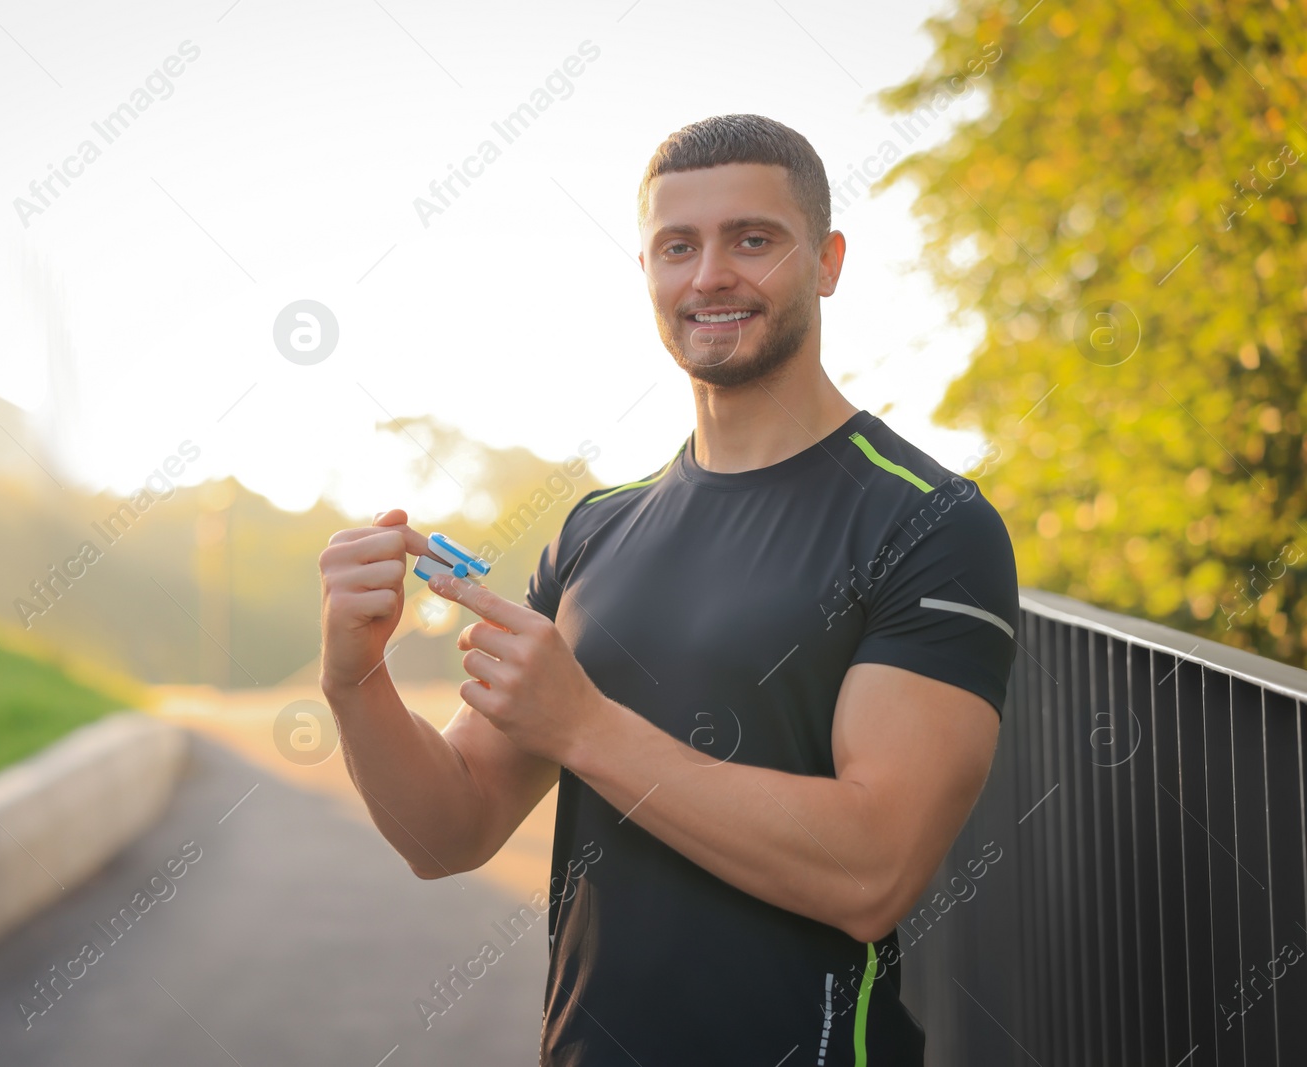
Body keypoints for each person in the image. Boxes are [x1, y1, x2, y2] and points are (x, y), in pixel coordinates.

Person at [317, 113, 1018, 1066]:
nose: (709, 275)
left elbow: (874, 869)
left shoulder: (931, 522)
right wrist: (356, 683)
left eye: (753, 240)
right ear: (646, 272)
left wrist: (583, 726)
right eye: (676, 247)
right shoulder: (595, 529)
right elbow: (449, 830)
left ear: (828, 261)